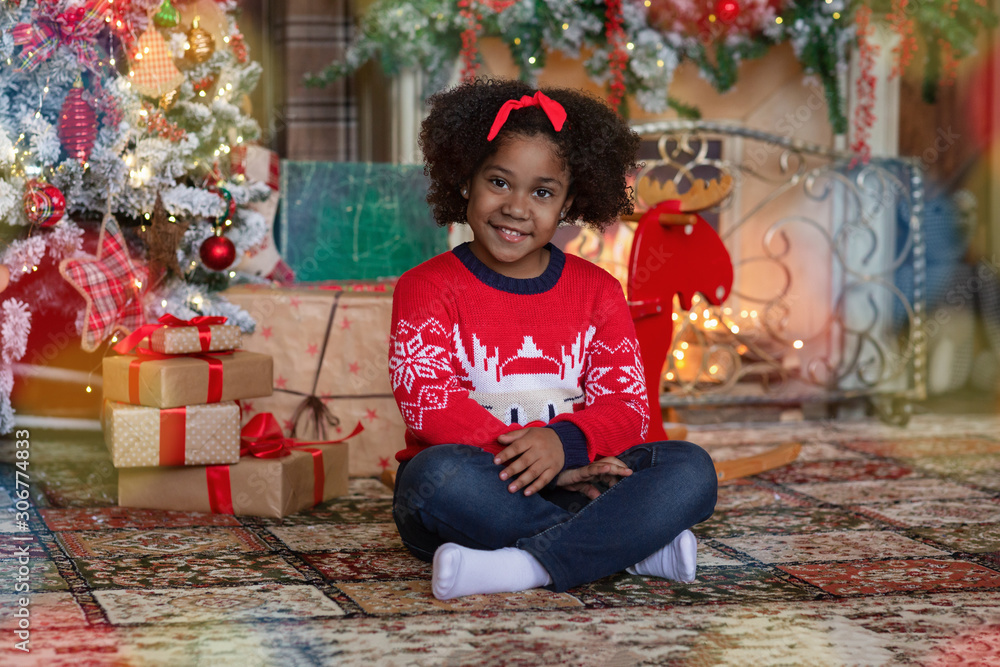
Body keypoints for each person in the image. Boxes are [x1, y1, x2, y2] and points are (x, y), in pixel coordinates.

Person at [388, 78, 718, 600]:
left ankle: (524, 567)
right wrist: (539, 467)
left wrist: (564, 448)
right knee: (437, 477)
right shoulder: (425, 287)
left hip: (581, 478)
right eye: (499, 182)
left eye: (542, 192)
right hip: (487, 485)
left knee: (690, 468)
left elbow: (627, 406)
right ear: (465, 181)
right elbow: (429, 404)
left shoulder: (598, 291)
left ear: (568, 204)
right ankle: (631, 548)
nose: (517, 207)